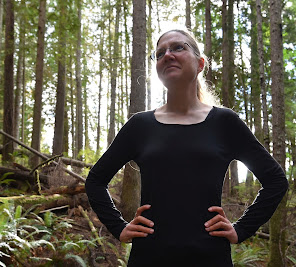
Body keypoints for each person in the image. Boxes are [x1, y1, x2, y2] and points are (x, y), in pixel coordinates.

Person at [85, 28, 289, 266]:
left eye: (178, 47)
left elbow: (276, 181)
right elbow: (96, 180)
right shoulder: (140, 125)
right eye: (160, 53)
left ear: (201, 64)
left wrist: (241, 229)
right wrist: (119, 227)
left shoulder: (224, 123)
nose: (168, 55)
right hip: (149, 257)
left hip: (210, 258)